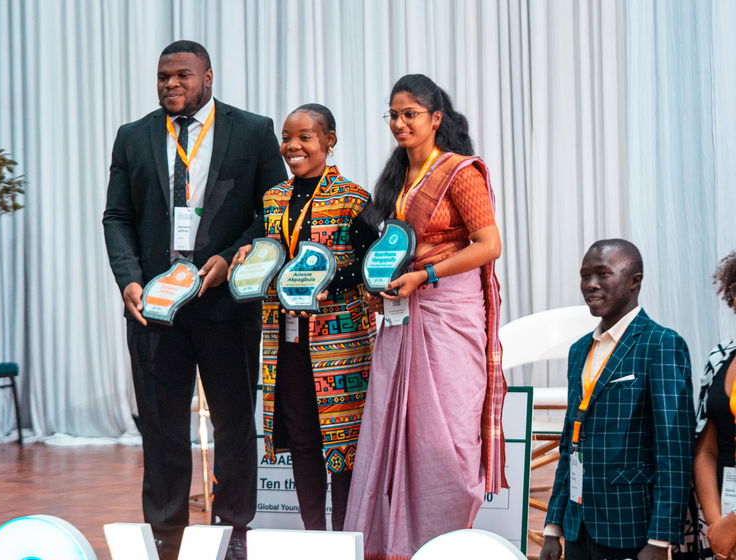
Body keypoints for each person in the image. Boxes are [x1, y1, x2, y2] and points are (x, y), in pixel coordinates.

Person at [102, 40, 286, 560]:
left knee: (231, 423)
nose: (171, 85)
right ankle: (166, 534)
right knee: (161, 426)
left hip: (226, 305)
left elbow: (272, 212)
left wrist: (230, 257)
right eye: (163, 77)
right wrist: (129, 280)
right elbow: (117, 217)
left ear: (208, 76)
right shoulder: (133, 136)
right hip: (154, 307)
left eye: (183, 75)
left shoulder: (252, 130)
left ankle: (233, 533)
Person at [344, 74, 506, 559]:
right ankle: (395, 546)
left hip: (447, 317)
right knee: (393, 432)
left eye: (409, 114)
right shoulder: (398, 179)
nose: (399, 123)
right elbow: (394, 250)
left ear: (436, 118)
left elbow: (489, 245)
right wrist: (385, 285)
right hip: (402, 314)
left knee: (449, 443)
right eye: (393, 114)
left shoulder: (460, 171)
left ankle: (445, 546)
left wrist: (426, 275)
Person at [230, 104, 377, 531]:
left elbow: (372, 266)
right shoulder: (273, 198)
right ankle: (315, 536)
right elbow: (268, 251)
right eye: (288, 138)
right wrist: (248, 256)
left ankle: (346, 538)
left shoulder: (354, 199)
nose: (293, 146)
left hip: (341, 342)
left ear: (329, 140)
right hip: (285, 342)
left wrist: (329, 280)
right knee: (302, 440)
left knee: (344, 441)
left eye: (305, 137)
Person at [540, 239, 695, 560]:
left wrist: (661, 539)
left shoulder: (662, 344)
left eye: (602, 274)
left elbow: (674, 450)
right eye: (585, 276)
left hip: (631, 526)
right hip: (578, 524)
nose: (590, 285)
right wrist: (553, 527)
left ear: (634, 281)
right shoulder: (579, 350)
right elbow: (570, 443)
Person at [695, 250, 736, 560]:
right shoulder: (719, 357)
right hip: (720, 520)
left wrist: (731, 527)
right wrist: (715, 524)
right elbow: (706, 449)